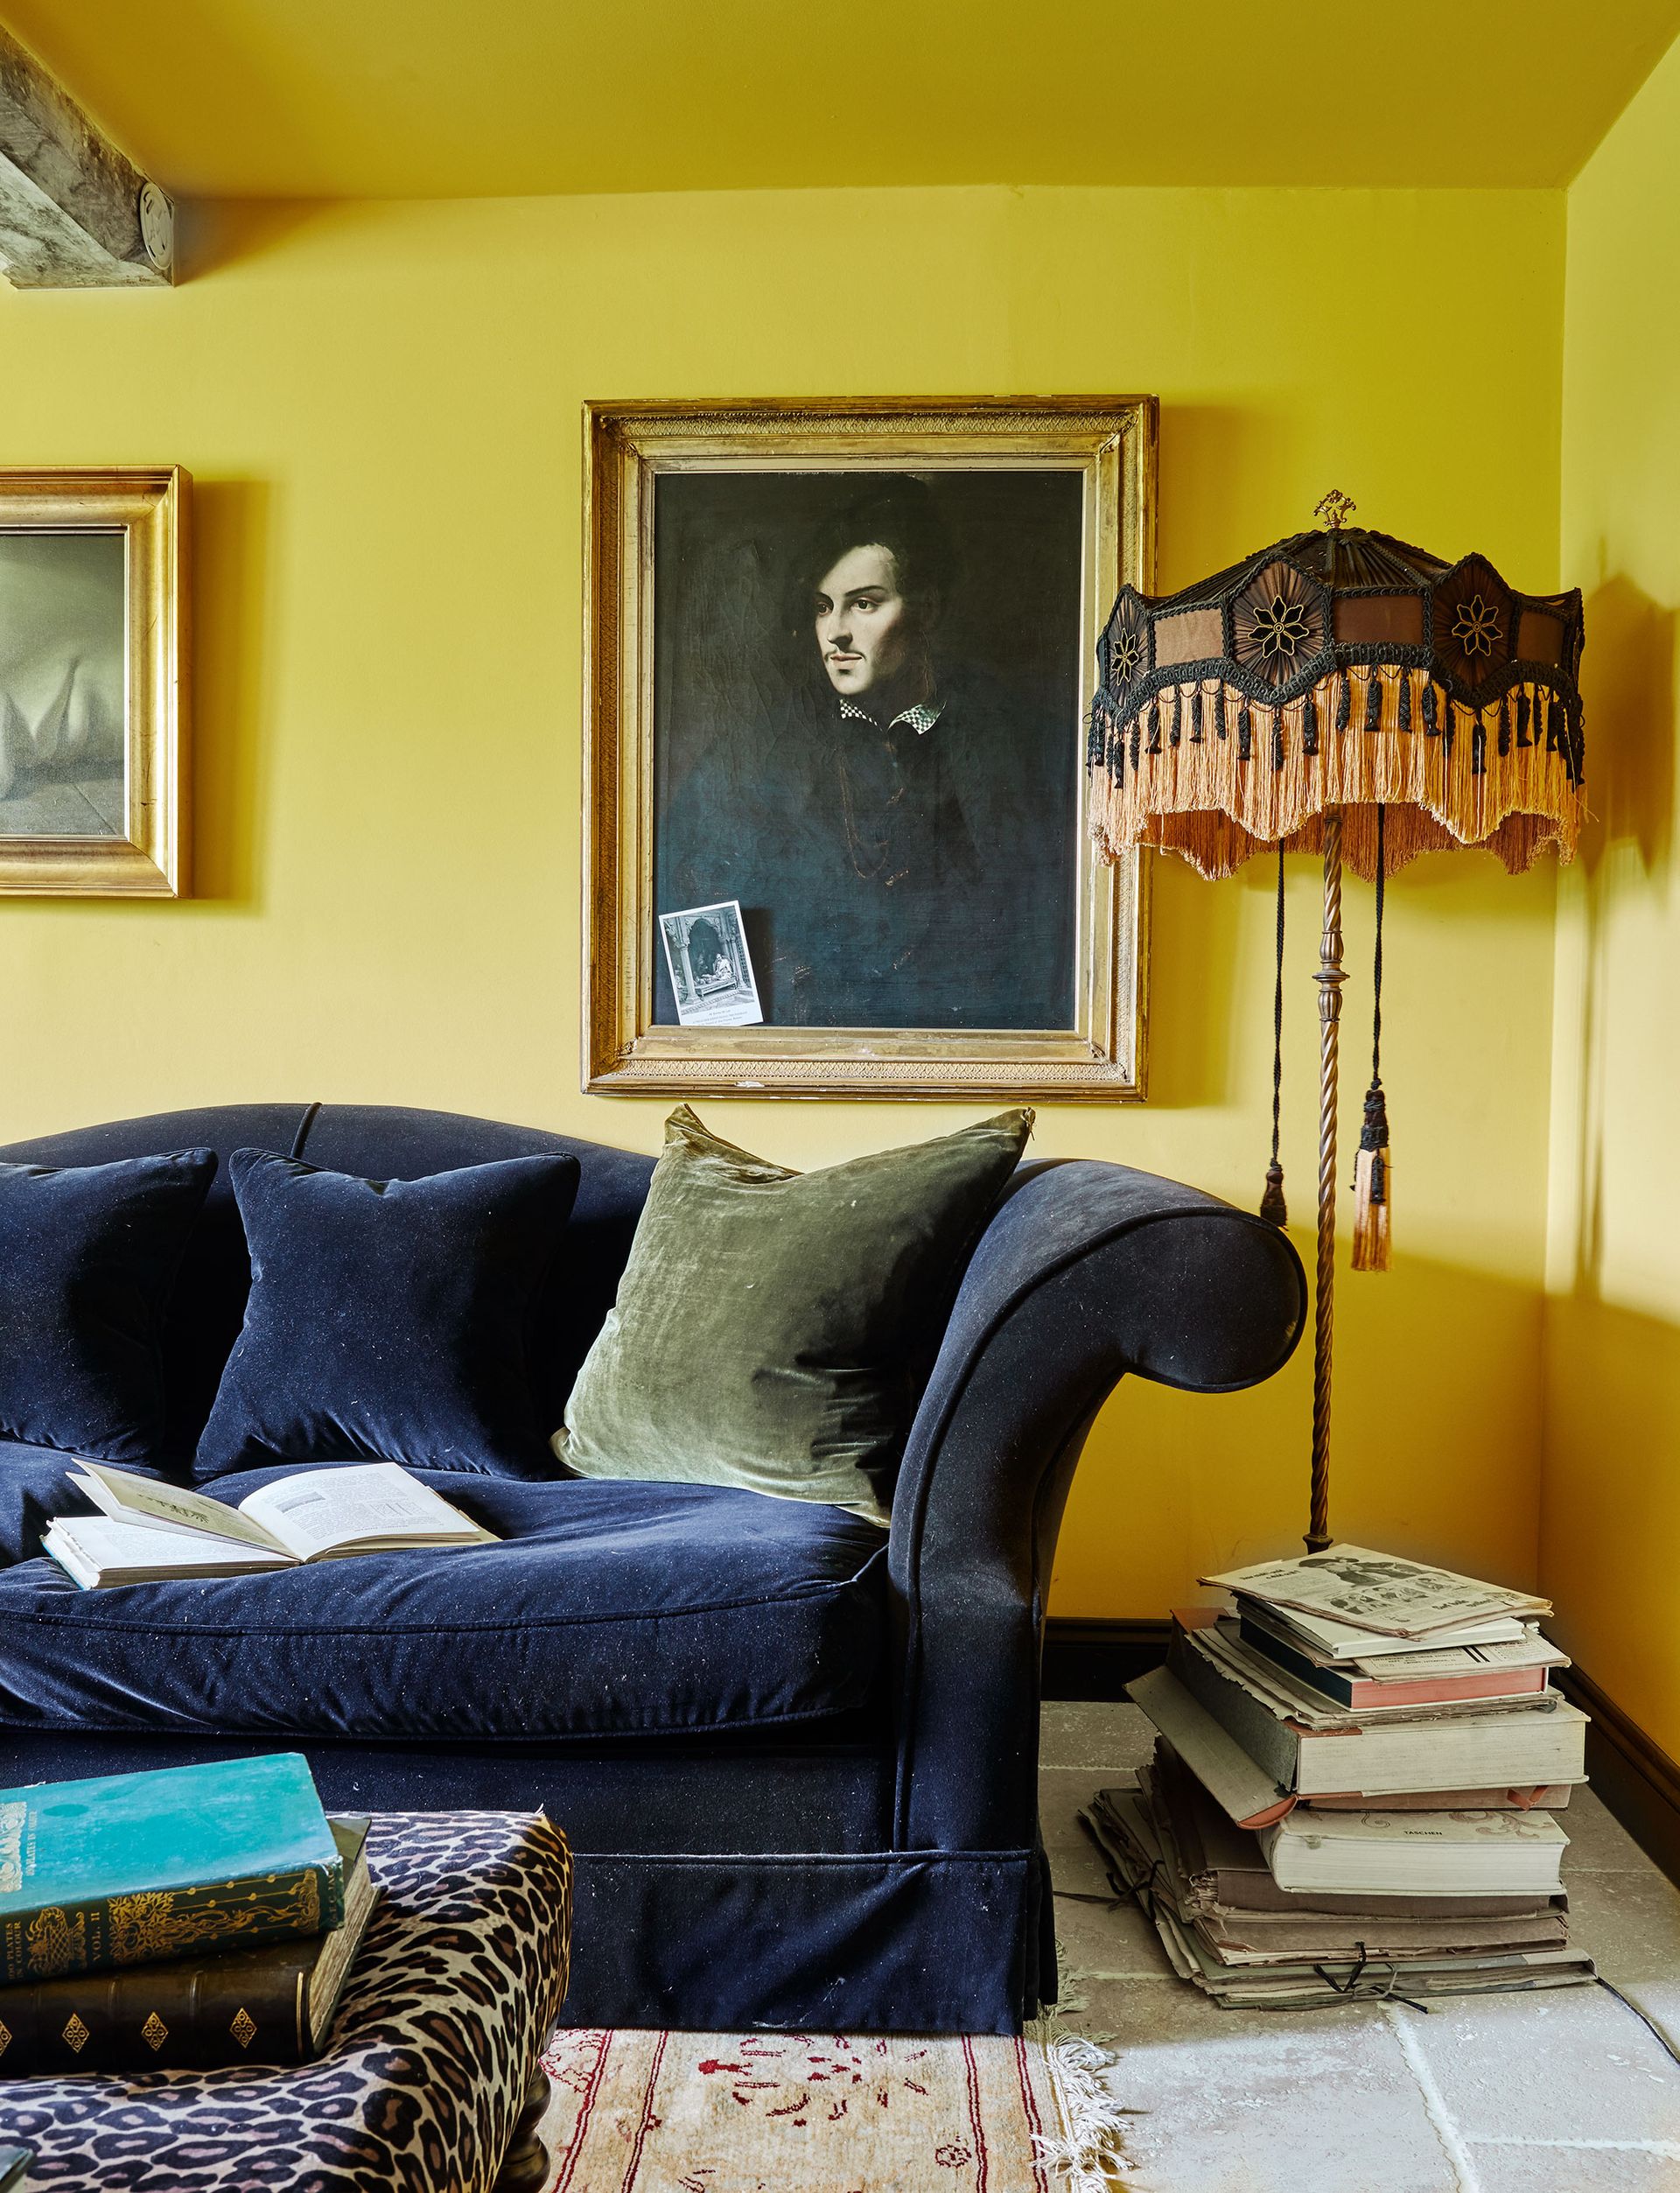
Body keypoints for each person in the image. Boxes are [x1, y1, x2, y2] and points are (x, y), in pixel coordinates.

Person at [659, 479, 1077, 1031]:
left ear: (925, 610)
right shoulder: (756, 753)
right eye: (822, 608)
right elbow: (696, 916)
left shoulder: (1017, 743)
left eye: (864, 604)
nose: (836, 633)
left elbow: (1046, 929)